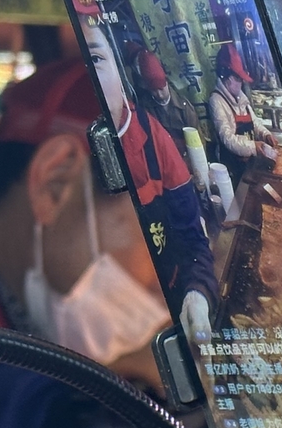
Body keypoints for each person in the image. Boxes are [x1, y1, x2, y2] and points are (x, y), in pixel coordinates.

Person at [79, 24, 217, 347]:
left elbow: (194, 242)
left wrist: (196, 294)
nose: (90, 77)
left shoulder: (155, 138)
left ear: (119, 71)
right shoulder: (70, 143)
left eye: (96, 59)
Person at [208, 45, 275, 166]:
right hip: (232, 165)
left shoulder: (241, 97)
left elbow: (255, 123)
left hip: (250, 162)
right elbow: (227, 138)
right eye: (237, 78)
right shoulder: (216, 100)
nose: (241, 82)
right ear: (224, 76)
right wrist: (253, 146)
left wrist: (266, 134)